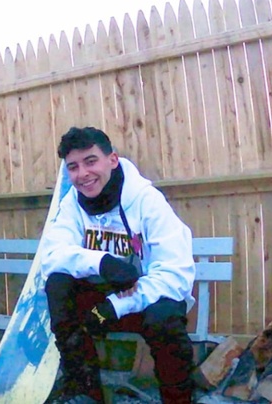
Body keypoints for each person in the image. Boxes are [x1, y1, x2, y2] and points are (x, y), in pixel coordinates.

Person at [39, 126, 196, 404]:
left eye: (90, 161)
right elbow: (52, 255)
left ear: (112, 160)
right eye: (73, 167)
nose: (83, 174)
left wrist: (118, 305)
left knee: (165, 318)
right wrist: (101, 262)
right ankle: (85, 391)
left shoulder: (146, 201)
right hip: (101, 301)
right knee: (58, 285)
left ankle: (178, 399)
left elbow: (176, 274)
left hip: (146, 298)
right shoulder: (72, 205)